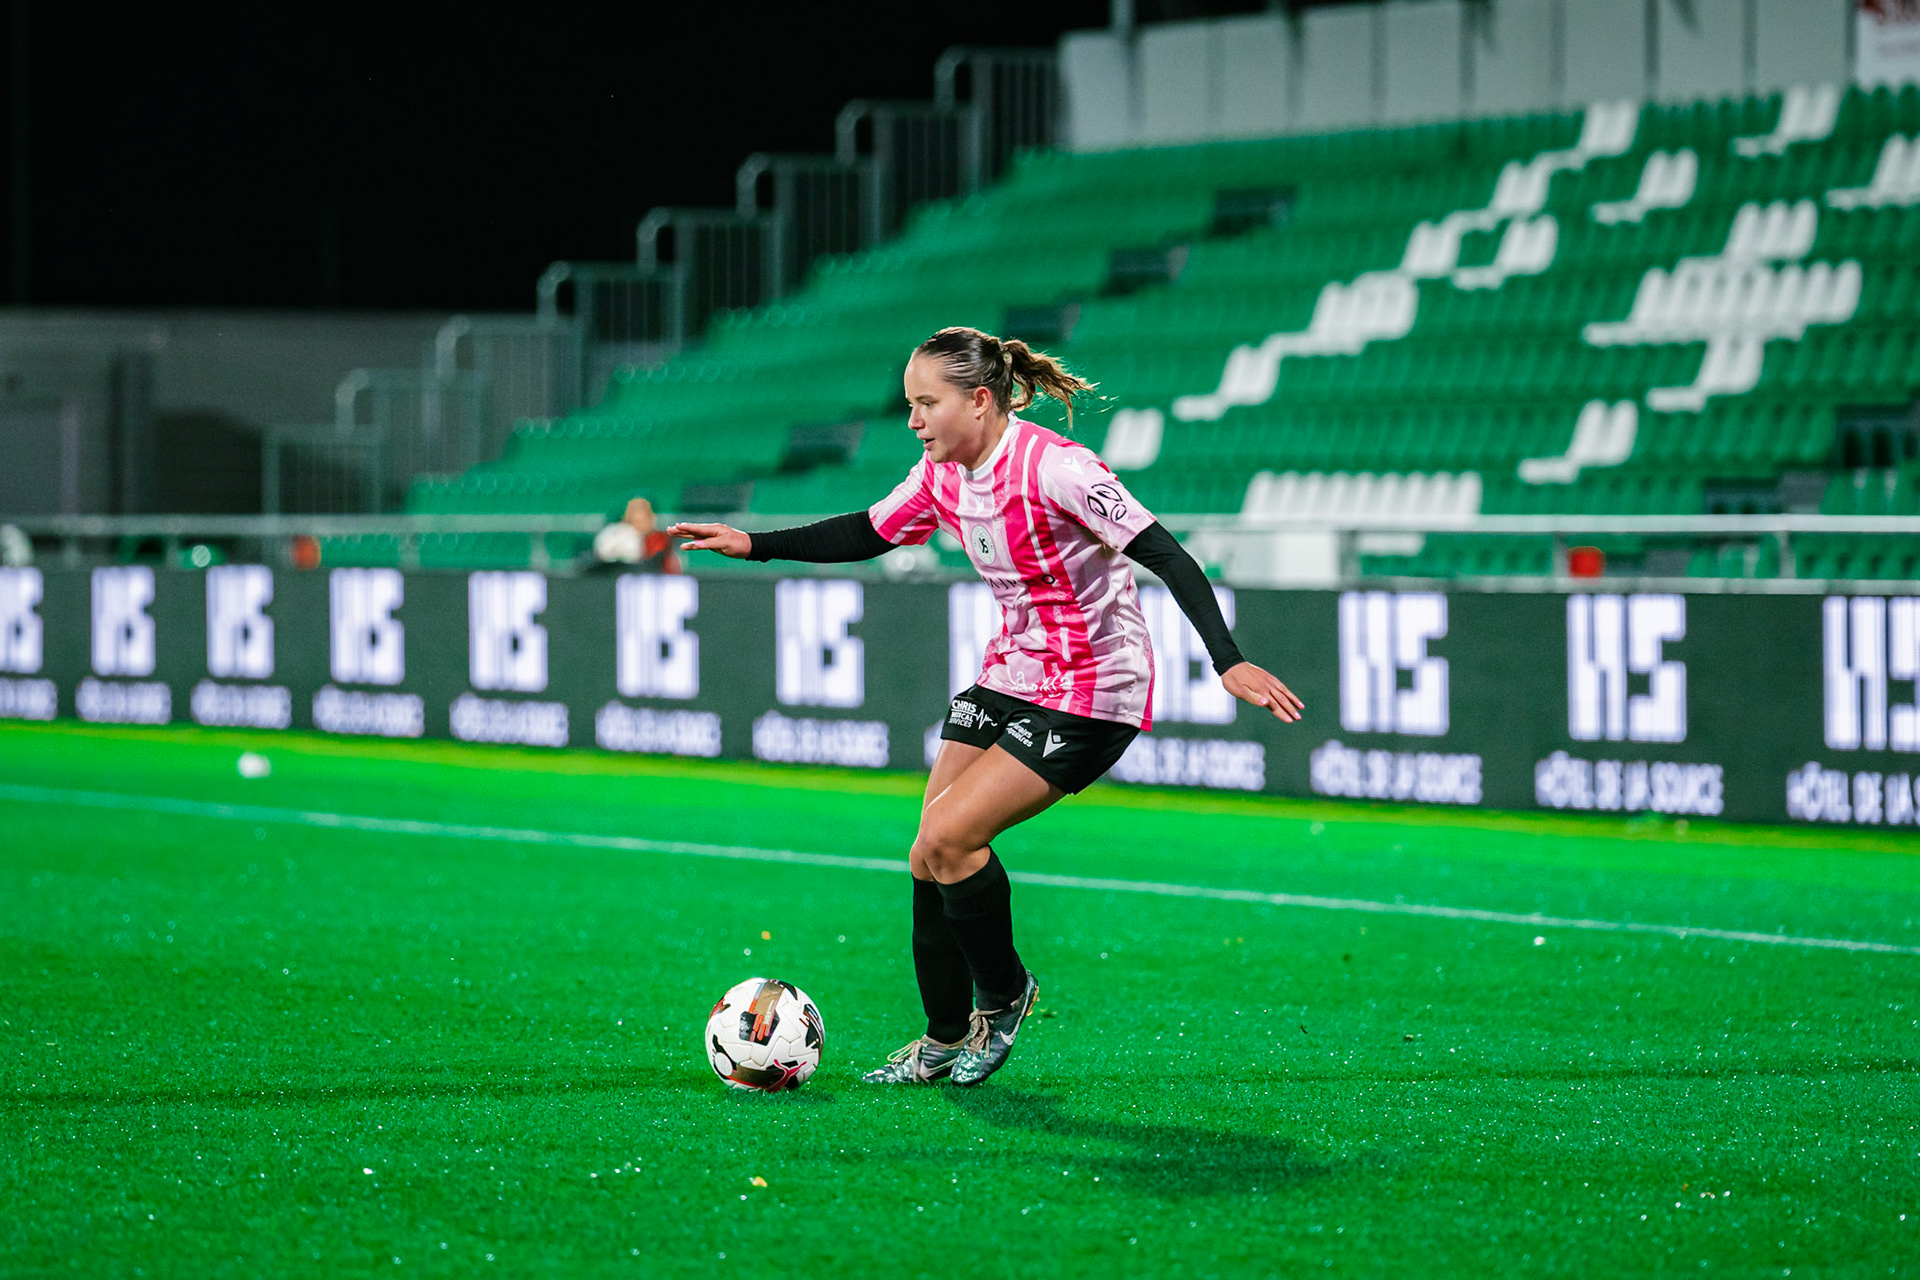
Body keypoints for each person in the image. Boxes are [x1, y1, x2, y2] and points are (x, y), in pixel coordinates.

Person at [671, 326, 1303, 1087]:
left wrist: (1226, 659)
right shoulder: (942, 473)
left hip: (1093, 689)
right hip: (1011, 674)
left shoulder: (1057, 468)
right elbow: (870, 531)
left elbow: (1166, 552)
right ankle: (941, 1039)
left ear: (978, 400)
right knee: (927, 854)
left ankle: (1004, 996)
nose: (914, 420)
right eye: (909, 404)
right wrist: (754, 543)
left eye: (926, 403)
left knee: (949, 836)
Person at [592, 497, 681, 573]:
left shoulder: (660, 541)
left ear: (651, 519)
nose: (637, 525)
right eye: (633, 519)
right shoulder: (616, 537)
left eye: (641, 519)